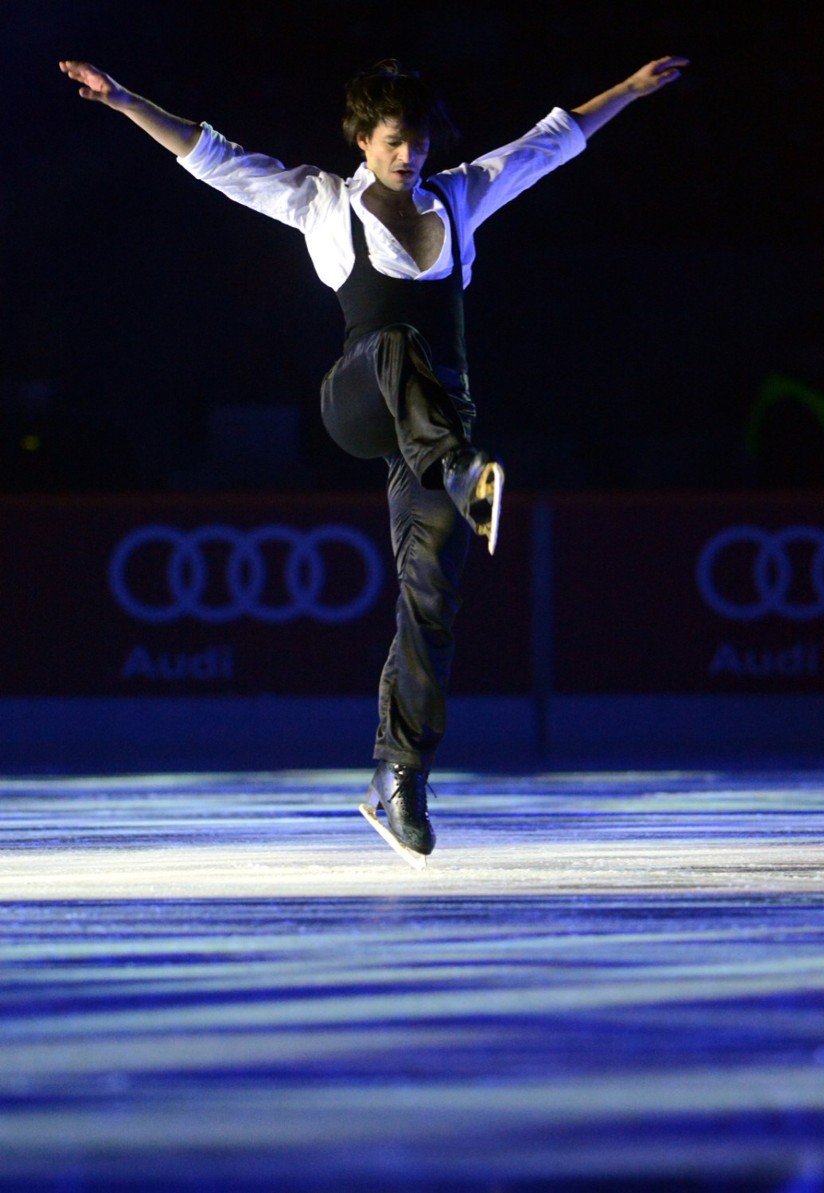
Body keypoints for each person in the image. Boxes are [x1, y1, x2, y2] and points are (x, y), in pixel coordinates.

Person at [59, 52, 688, 865]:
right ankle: (462, 471)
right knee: (396, 341)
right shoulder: (321, 202)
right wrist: (122, 100)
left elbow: (548, 142)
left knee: (432, 598)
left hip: (442, 422)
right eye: (394, 141)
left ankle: (399, 775)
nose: (409, 155)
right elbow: (212, 157)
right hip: (360, 397)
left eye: (418, 141)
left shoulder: (460, 194)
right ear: (363, 139)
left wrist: (629, 93)